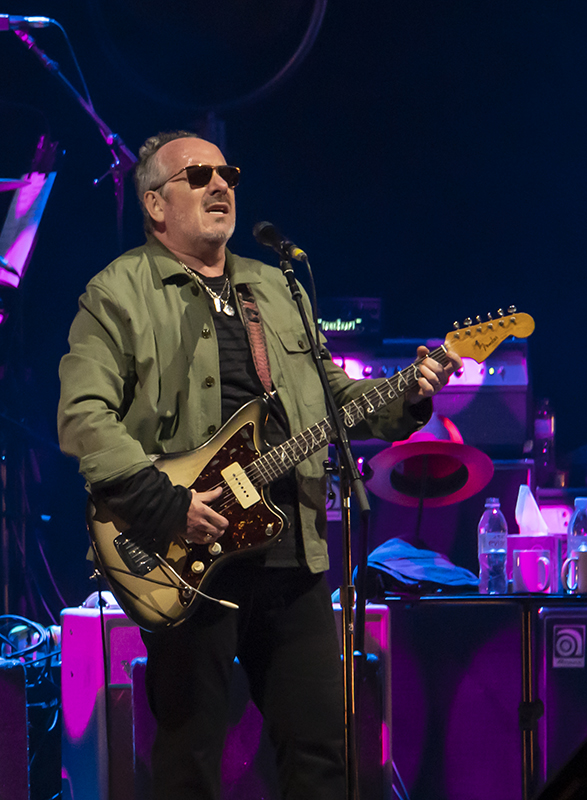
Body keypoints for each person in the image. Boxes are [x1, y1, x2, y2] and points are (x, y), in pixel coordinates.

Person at [57, 130, 461, 800]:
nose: (221, 185)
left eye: (228, 174)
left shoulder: (274, 287)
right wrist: (165, 503)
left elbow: (335, 400)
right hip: (186, 556)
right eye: (198, 176)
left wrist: (409, 393)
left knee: (320, 755)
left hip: (292, 556)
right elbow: (83, 416)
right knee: (189, 762)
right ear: (155, 205)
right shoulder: (117, 292)